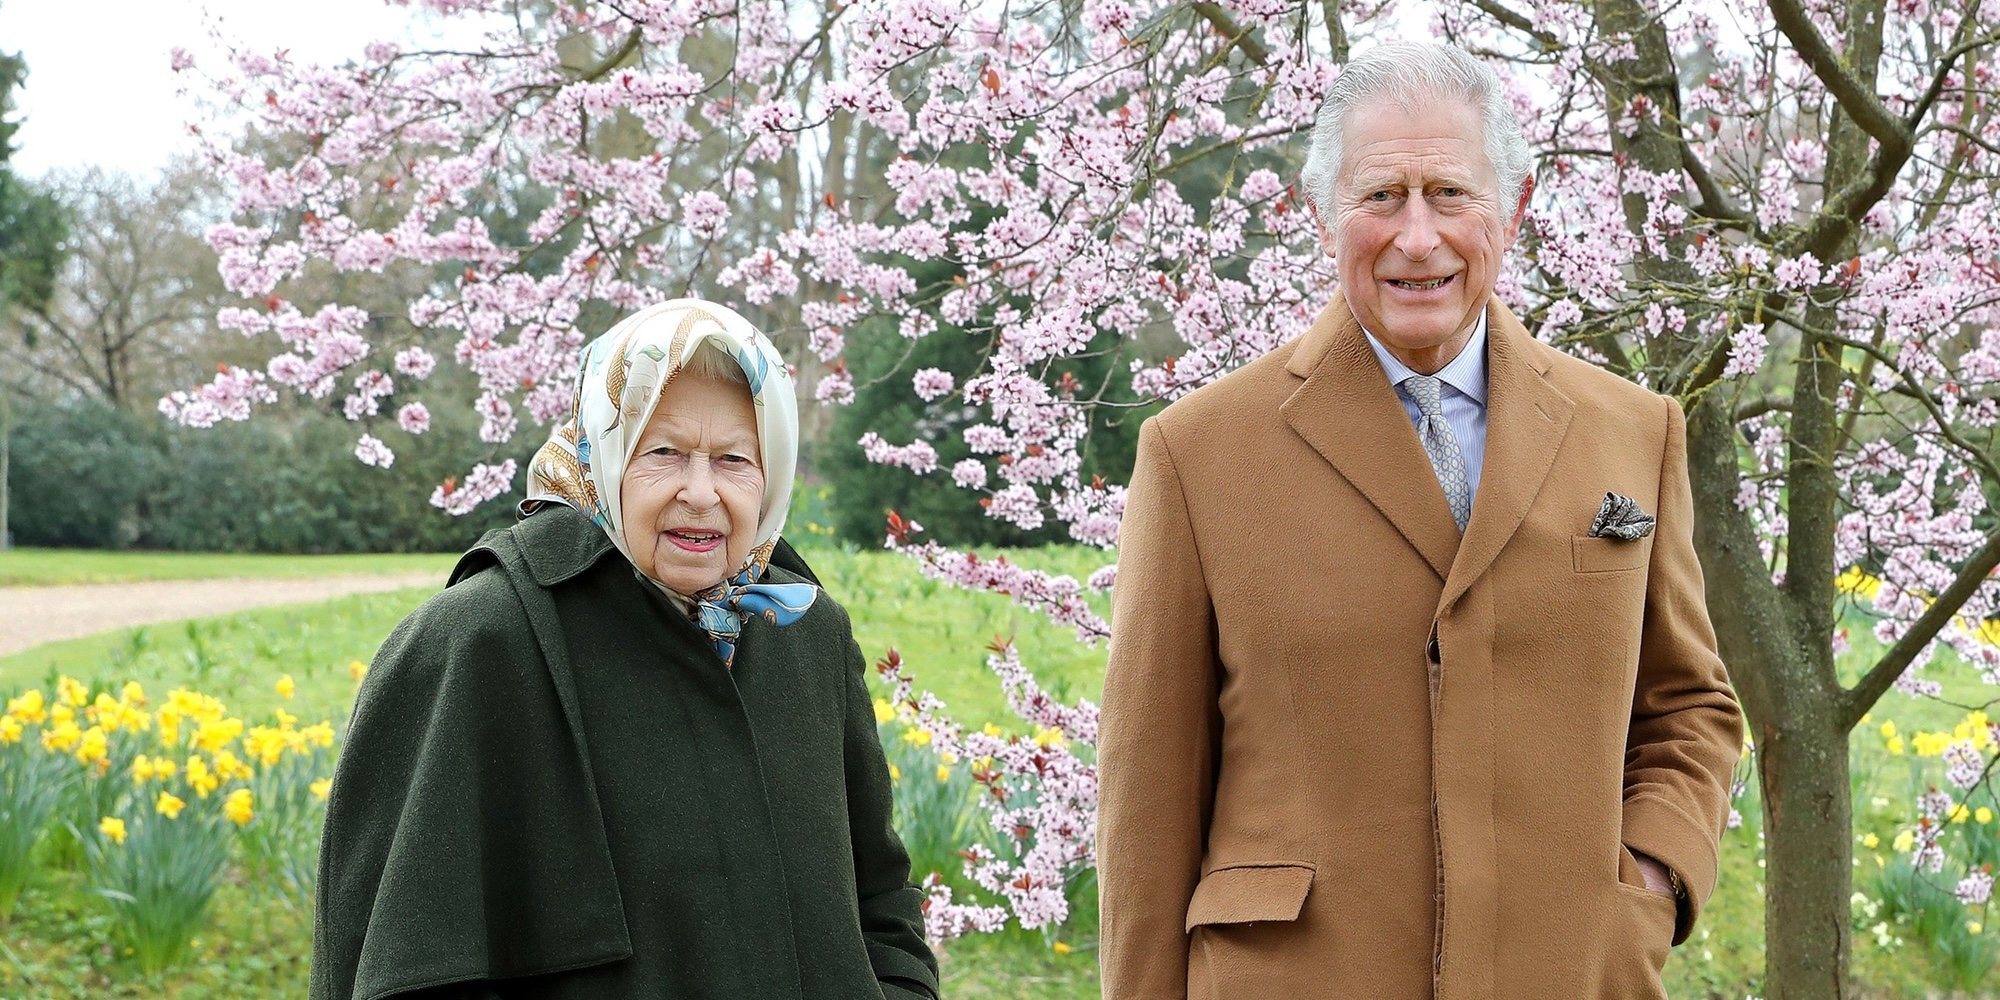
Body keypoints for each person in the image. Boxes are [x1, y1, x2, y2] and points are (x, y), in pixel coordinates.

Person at [1096, 42, 1744, 1000]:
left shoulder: (1633, 433)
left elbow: (1688, 708)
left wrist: (1647, 880)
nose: (1416, 237)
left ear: (1513, 211)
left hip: (1569, 973)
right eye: (1380, 196)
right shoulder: (1197, 454)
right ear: (1322, 217)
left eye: (1450, 193)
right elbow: (1148, 794)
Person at [311, 299, 939, 1000]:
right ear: (604, 450)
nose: (700, 494)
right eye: (663, 452)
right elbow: (406, 966)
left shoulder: (806, 631)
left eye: (733, 459)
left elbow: (880, 896)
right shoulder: (479, 642)